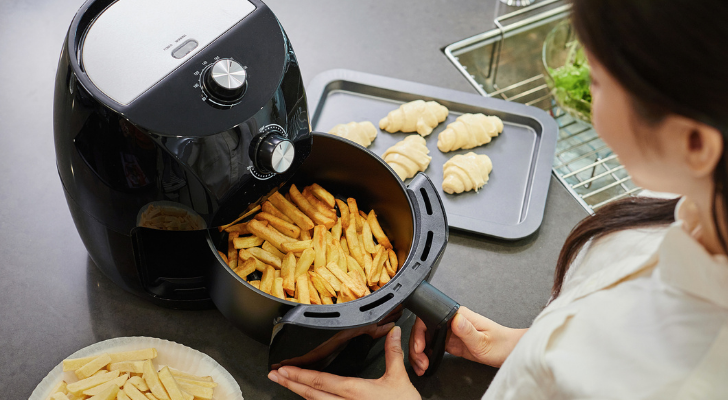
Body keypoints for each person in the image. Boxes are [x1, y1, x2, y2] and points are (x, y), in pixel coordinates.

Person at [267, 0, 728, 397]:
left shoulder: (690, 377)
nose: (582, 94)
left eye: (599, 82)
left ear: (694, 144)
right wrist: (530, 347)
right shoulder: (687, 202)